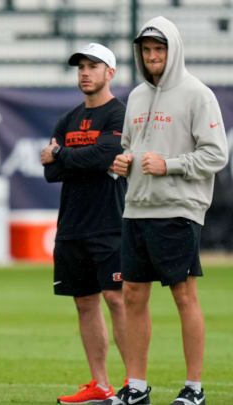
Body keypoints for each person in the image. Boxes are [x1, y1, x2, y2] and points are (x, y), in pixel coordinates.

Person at [105, 16, 228, 405]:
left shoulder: (198, 94)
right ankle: (137, 386)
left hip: (178, 209)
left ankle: (194, 388)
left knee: (183, 294)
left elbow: (216, 154)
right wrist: (121, 163)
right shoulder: (138, 96)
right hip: (136, 208)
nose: (153, 56)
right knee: (132, 295)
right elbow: (129, 146)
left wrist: (170, 164)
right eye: (147, 50)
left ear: (172, 52)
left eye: (159, 49)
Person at [39, 43, 127, 405]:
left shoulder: (119, 114)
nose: (85, 73)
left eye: (93, 66)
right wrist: (78, 159)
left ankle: (134, 382)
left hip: (111, 224)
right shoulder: (68, 119)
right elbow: (51, 171)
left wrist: (63, 154)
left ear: (111, 73)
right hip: (72, 226)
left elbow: (106, 154)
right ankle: (101, 385)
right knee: (85, 303)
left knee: (117, 300)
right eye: (81, 67)